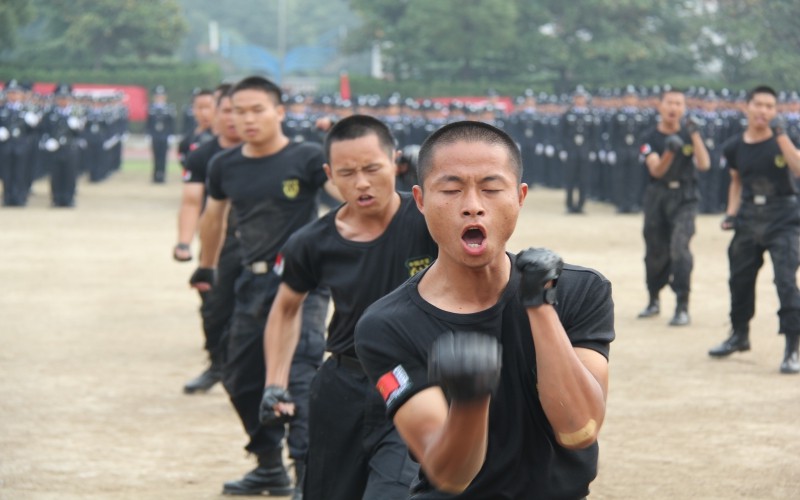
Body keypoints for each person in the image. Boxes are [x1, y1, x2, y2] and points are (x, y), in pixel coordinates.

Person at [354, 120, 615, 499]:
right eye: (451, 189)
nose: (473, 206)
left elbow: (579, 430)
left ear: (520, 196)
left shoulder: (579, 290)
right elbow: (450, 474)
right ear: (421, 200)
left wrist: (540, 306)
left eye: (492, 189)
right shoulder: (387, 326)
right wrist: (470, 398)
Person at [260, 115, 436, 500]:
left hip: (415, 383)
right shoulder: (311, 242)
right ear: (329, 174)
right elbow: (286, 310)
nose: (361, 183)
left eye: (372, 168)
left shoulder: (432, 223)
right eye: (347, 172)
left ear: (395, 162)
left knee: (392, 491)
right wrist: (275, 383)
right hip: (343, 384)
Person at [190, 76, 338, 496]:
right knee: (239, 376)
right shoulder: (225, 164)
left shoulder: (307, 158)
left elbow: (338, 193)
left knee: (300, 374)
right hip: (250, 283)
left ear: (279, 112)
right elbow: (214, 218)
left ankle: (306, 475)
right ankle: (268, 463)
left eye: (257, 110)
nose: (247, 119)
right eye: (238, 111)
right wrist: (207, 266)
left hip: (303, 285)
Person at [708, 85, 800, 374]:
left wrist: (782, 135)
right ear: (747, 107)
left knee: (785, 282)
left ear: (775, 111)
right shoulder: (734, 146)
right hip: (748, 216)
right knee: (739, 278)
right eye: (758, 104)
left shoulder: (785, 139)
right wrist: (731, 213)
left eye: (770, 106)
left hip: (783, 216)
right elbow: (736, 182)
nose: (764, 111)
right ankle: (739, 335)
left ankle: (791, 347)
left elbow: (798, 170)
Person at [175, 84, 242, 393]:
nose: (233, 118)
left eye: (238, 111)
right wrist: (184, 242)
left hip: (266, 244)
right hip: (218, 245)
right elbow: (191, 202)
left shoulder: (276, 152)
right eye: (225, 111)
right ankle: (217, 365)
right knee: (213, 309)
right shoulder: (203, 155)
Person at [637, 87, 710, 326]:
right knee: (656, 250)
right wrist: (669, 151)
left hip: (685, 198)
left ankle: (682, 304)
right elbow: (656, 170)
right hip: (658, 196)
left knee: (680, 248)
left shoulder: (691, 134)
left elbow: (704, 164)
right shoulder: (649, 136)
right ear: (660, 106)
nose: (674, 108)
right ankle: (654, 298)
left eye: (679, 103)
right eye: (669, 103)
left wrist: (695, 135)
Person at [41, 83, 85, 207]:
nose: (63, 100)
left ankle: (69, 198)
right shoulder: (50, 113)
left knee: (70, 174)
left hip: (70, 148)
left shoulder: (77, 112)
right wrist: (47, 141)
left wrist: (78, 127)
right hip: (55, 148)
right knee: (56, 174)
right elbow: (44, 130)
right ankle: (56, 198)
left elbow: (82, 133)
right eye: (60, 97)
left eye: (66, 97)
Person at [177, 88, 216, 168]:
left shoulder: (224, 138)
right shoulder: (186, 141)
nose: (204, 113)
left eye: (208, 107)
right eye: (200, 108)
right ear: (193, 110)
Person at [146, 85, 176, 183]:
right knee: (155, 156)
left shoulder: (169, 108)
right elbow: (148, 123)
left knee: (163, 157)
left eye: (161, 96)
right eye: (158, 96)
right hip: (155, 136)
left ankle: (162, 176)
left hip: (165, 136)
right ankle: (155, 176)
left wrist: (171, 135)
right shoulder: (151, 108)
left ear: (164, 97)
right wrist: (148, 134)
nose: (159, 98)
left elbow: (171, 123)